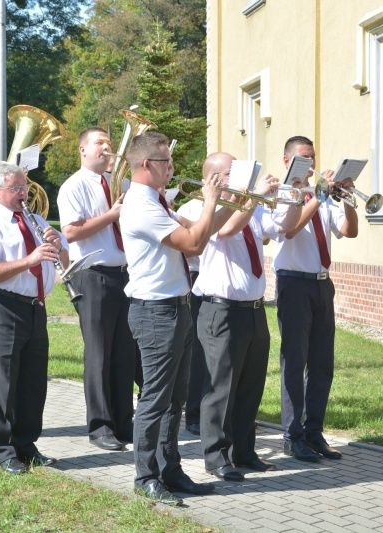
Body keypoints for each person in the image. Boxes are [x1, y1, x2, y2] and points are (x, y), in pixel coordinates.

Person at [120, 132, 234, 506]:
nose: (172, 168)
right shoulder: (142, 206)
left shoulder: (156, 201)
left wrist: (232, 206)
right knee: (155, 398)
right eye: (166, 162)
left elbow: (202, 231)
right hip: (156, 311)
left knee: (175, 399)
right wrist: (211, 200)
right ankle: (146, 475)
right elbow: (194, 243)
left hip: (175, 307)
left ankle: (170, 470)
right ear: (147, 165)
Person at [194, 153, 301, 482]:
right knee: (220, 390)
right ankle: (216, 457)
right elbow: (226, 230)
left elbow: (284, 227)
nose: (240, 175)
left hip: (253, 311)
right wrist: (252, 196)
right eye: (231, 172)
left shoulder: (247, 208)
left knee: (249, 388)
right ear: (216, 179)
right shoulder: (201, 210)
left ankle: (244, 451)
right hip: (221, 310)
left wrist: (295, 196)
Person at [0, 161, 69, 474]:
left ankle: (27, 444)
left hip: (35, 307)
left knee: (33, 381)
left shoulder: (34, 218)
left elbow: (65, 259)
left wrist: (56, 246)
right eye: (16, 188)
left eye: (24, 186)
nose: (23, 193)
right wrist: (29, 260)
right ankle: (3, 451)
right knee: (3, 383)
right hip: (3, 306)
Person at [275, 136, 358, 462]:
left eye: (312, 159)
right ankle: (292, 436)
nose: (310, 165)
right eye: (303, 159)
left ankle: (314, 433)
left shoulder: (321, 196)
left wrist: (347, 197)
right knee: (295, 362)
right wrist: (319, 195)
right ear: (287, 162)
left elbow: (349, 231)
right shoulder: (283, 195)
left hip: (323, 284)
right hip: (294, 284)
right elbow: (290, 229)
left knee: (322, 364)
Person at [57, 127, 136, 451]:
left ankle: (123, 421)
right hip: (93, 275)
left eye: (109, 142)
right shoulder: (73, 186)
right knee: (99, 353)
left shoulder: (123, 184)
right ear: (83, 150)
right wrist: (112, 214)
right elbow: (72, 232)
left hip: (124, 274)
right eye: (99, 143)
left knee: (124, 353)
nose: (107, 147)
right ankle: (100, 427)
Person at [175, 198, 204, 436]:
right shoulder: (191, 207)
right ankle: (194, 414)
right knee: (198, 351)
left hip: (220, 281)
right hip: (196, 276)